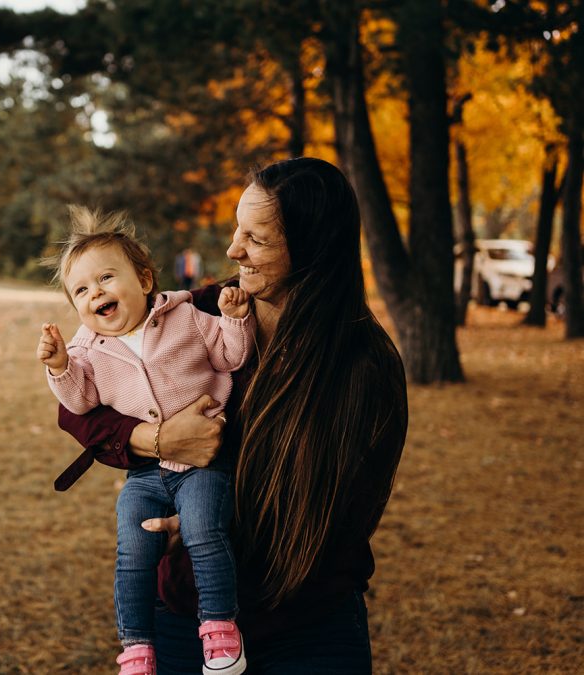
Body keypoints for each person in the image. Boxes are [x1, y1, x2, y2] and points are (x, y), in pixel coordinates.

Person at [57, 158, 408, 674]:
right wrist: (155, 440)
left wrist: (204, 523)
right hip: (186, 609)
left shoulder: (363, 364)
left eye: (257, 239)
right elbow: (80, 409)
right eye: (236, 229)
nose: (232, 250)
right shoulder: (201, 310)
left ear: (311, 247)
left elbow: (336, 513)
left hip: (307, 622)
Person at [37, 206, 254, 675]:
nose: (95, 293)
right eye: (81, 290)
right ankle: (136, 648)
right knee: (133, 551)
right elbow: (78, 402)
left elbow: (230, 358)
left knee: (203, 532)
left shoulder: (187, 317)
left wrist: (235, 320)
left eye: (106, 278)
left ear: (144, 278)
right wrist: (58, 367)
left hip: (201, 465)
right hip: (145, 475)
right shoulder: (85, 350)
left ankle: (219, 627)